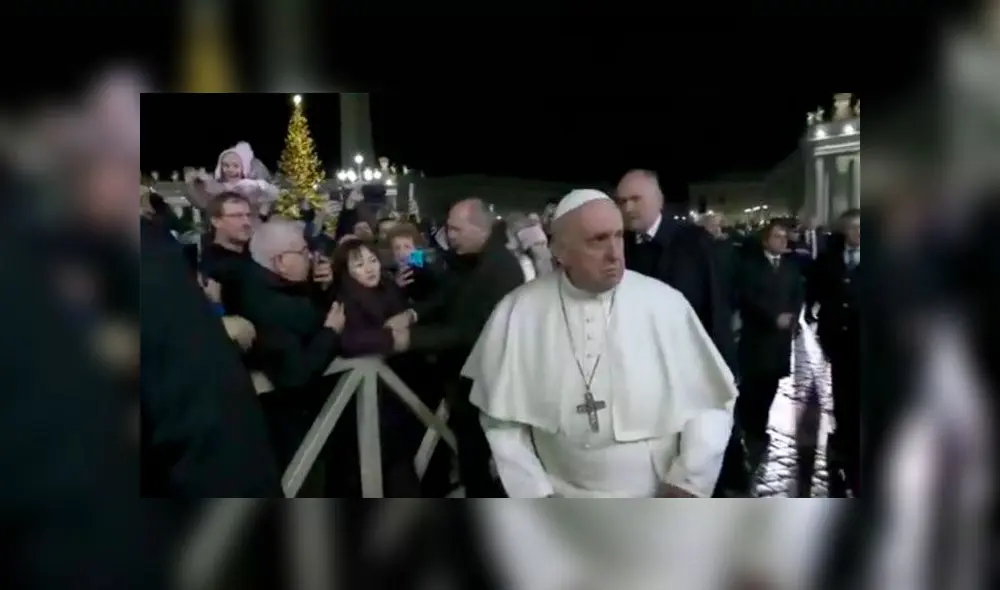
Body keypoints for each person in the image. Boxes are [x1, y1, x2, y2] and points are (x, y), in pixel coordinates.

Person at [462, 189, 738, 497]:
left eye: (618, 236)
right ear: (560, 250)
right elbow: (501, 422)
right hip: (560, 499)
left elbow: (712, 404)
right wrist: (535, 493)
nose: (615, 253)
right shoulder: (519, 311)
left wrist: (687, 481)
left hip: (657, 494)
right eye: (597, 240)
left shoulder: (665, 304)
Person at [383, 198, 525, 497]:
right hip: (463, 384)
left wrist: (412, 338)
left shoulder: (502, 269)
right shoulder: (466, 260)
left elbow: (473, 331)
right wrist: (412, 314)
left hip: (487, 389)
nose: (451, 235)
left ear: (479, 228)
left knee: (489, 469)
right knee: (472, 464)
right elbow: (446, 296)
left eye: (456, 229)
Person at [734, 220, 805, 469]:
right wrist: (772, 317)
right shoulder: (750, 266)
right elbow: (747, 298)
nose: (782, 240)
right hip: (757, 337)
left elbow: (797, 295)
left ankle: (759, 428)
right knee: (752, 387)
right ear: (766, 239)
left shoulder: (790, 266)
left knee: (771, 386)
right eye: (777, 236)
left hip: (780, 341)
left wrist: (794, 317)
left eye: (785, 236)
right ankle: (747, 430)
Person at [807, 209, 860, 496]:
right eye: (853, 228)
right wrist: (814, 316)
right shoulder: (828, 259)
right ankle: (843, 436)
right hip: (837, 339)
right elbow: (816, 289)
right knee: (842, 388)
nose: (858, 233)